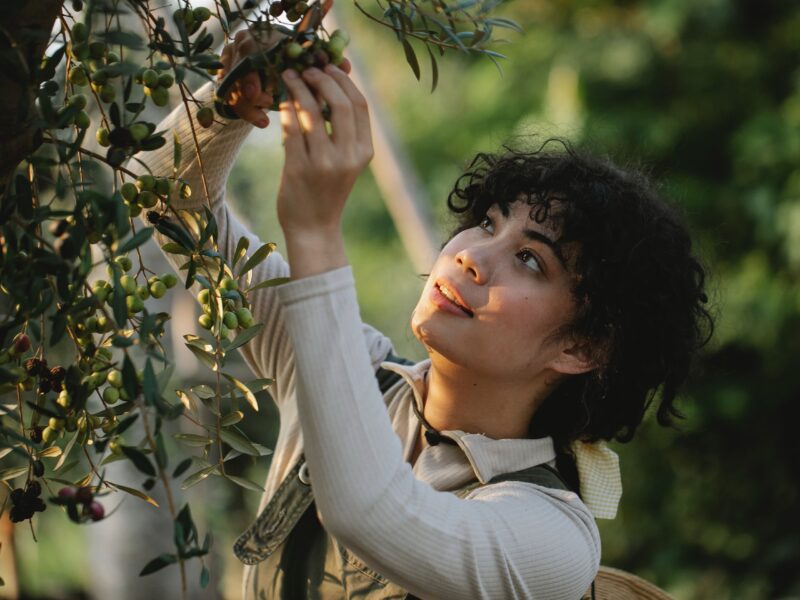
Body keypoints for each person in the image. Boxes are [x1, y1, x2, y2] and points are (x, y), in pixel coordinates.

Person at [142, 26, 712, 600]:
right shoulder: (350, 374)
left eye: (530, 260)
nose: (470, 256)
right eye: (488, 222)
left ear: (582, 348)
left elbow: (369, 512)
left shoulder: (551, 541)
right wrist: (226, 108)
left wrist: (316, 230)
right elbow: (166, 200)